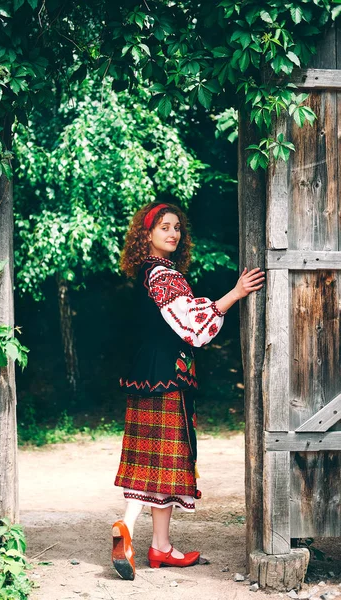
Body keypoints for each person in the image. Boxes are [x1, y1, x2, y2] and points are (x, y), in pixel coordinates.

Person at [111, 202, 265, 581]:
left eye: (177, 227)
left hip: (146, 375)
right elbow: (194, 326)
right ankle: (130, 530)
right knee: (164, 460)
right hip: (166, 379)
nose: (173, 233)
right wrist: (235, 293)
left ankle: (158, 546)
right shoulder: (163, 276)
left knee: (154, 462)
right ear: (146, 235)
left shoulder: (149, 274)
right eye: (164, 227)